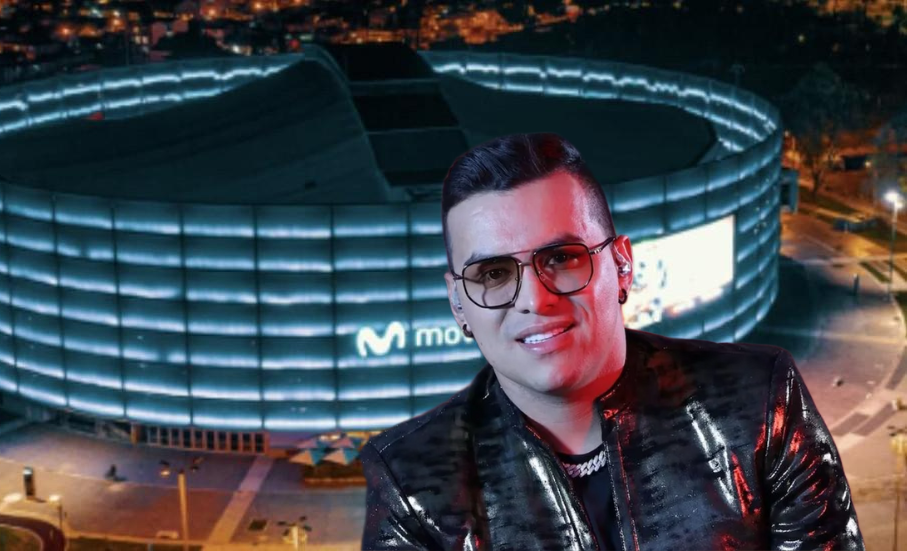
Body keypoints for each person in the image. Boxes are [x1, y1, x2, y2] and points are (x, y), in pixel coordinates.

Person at [360, 133, 863, 551]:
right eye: (493, 273)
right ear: (458, 304)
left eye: (561, 258)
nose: (534, 300)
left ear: (622, 266)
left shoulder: (760, 404)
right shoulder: (411, 481)